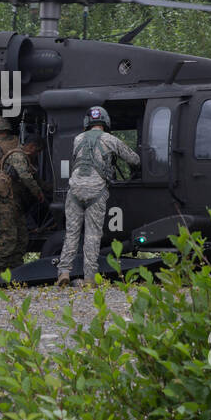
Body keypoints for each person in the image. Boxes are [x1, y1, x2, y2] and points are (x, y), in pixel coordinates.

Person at [57, 106, 139, 287]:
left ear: (87, 123)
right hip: (96, 191)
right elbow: (134, 159)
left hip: (75, 190)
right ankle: (89, 278)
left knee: (72, 233)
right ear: (106, 122)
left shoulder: (78, 138)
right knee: (92, 235)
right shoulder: (111, 139)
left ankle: (63, 272)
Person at [0, 121, 44, 279]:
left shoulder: (23, 157)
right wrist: (38, 192)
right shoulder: (17, 156)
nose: (37, 154)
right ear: (31, 147)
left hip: (14, 203)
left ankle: (16, 272)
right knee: (9, 237)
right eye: (37, 151)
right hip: (5, 202)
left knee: (22, 237)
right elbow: (25, 176)